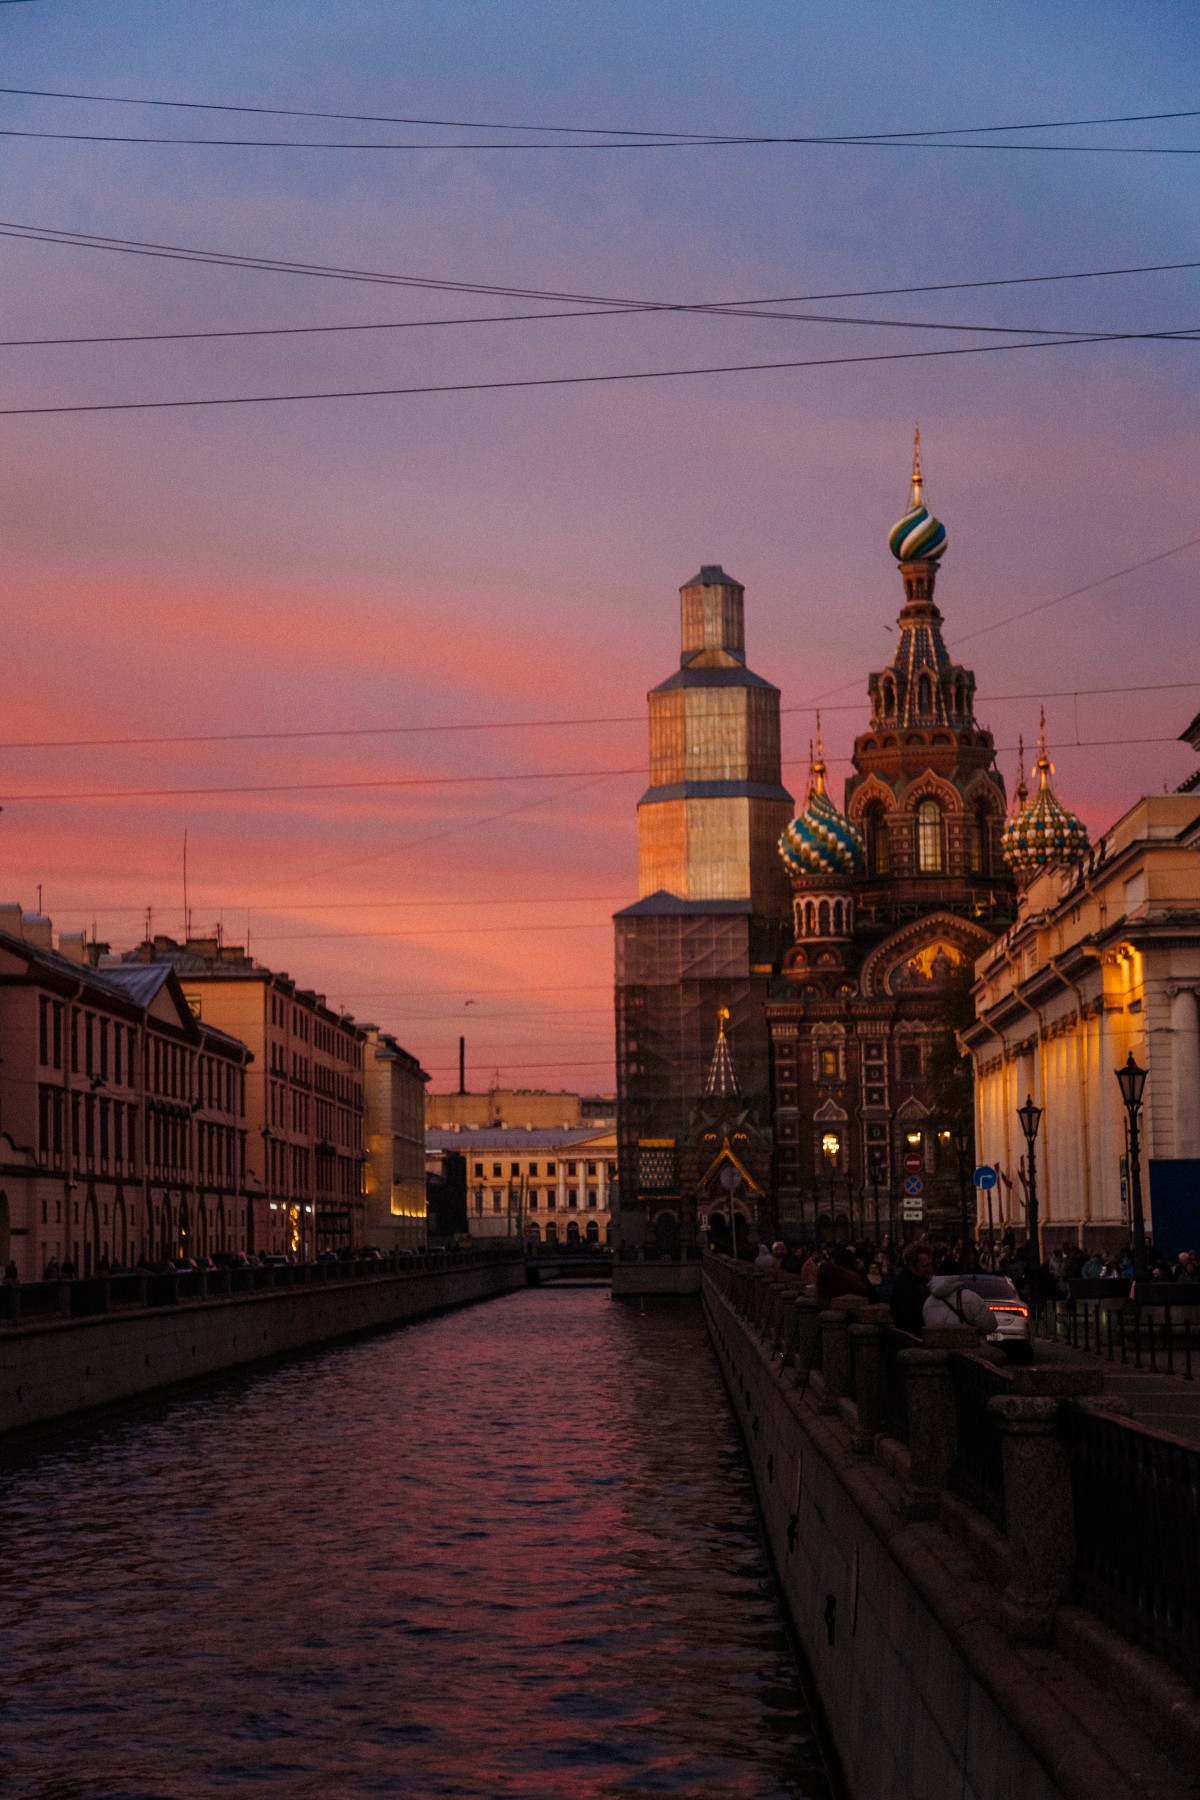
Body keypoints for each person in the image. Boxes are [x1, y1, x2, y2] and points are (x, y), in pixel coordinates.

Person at [923, 1275, 998, 1340]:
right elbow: (990, 1326)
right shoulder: (969, 1297)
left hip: (940, 1353)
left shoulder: (928, 1302)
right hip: (968, 1351)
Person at [889, 1241, 934, 1334]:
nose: (930, 1269)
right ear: (912, 1266)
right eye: (925, 1266)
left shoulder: (913, 1282)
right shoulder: (906, 1290)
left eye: (930, 1265)